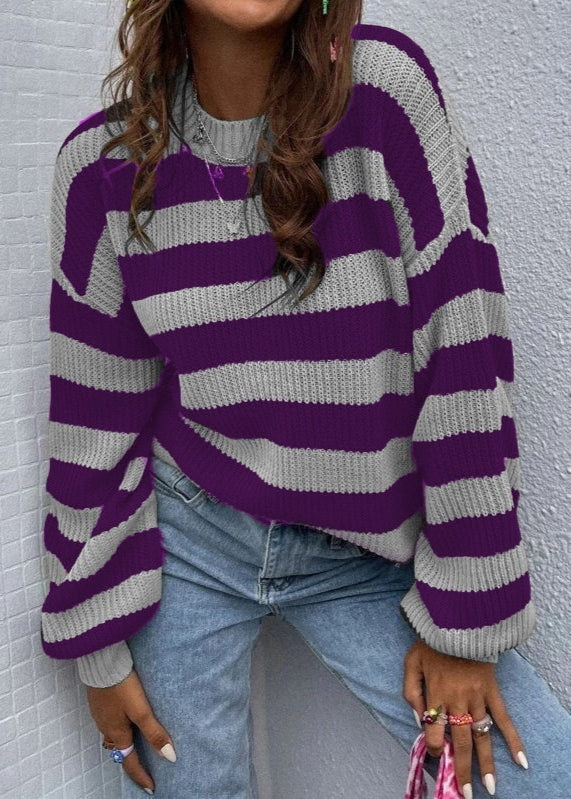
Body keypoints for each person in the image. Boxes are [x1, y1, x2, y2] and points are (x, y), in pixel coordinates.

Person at [40, 0, 571, 797]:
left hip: (367, 546)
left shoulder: (382, 95)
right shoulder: (103, 167)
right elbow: (92, 415)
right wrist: (97, 646)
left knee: (545, 779)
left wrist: (466, 623)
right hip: (188, 540)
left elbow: (462, 352)